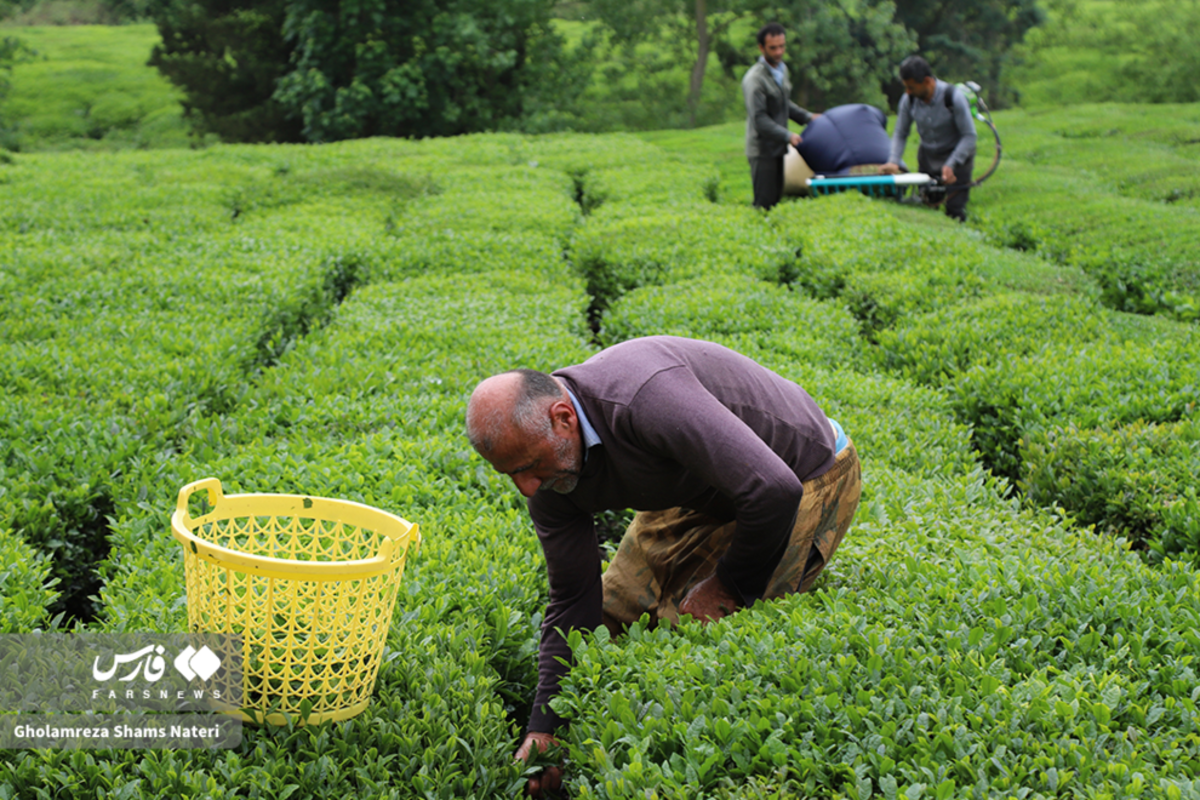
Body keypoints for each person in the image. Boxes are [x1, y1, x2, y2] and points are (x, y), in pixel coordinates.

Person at [465, 336, 862, 797]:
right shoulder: (549, 480)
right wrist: (544, 728)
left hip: (803, 471)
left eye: (531, 467)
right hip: (694, 484)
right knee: (612, 618)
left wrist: (728, 586)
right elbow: (573, 600)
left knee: (702, 635)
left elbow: (771, 489)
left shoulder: (644, 397)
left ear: (563, 418)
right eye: (510, 474)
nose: (528, 489)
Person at [881, 55, 977, 221]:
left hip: (956, 158)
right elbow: (900, 133)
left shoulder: (953, 97)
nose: (907, 92)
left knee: (954, 210)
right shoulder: (908, 100)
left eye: (911, 87)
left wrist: (952, 164)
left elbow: (969, 136)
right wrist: (893, 160)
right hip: (928, 157)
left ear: (927, 82)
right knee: (927, 205)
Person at [742, 22, 819, 210]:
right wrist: (788, 136)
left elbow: (784, 104)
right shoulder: (754, 80)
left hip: (777, 149)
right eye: (773, 48)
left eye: (782, 46)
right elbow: (759, 119)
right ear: (761, 48)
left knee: (776, 199)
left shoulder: (781, 70)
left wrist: (808, 117)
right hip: (762, 150)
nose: (778, 52)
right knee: (764, 203)